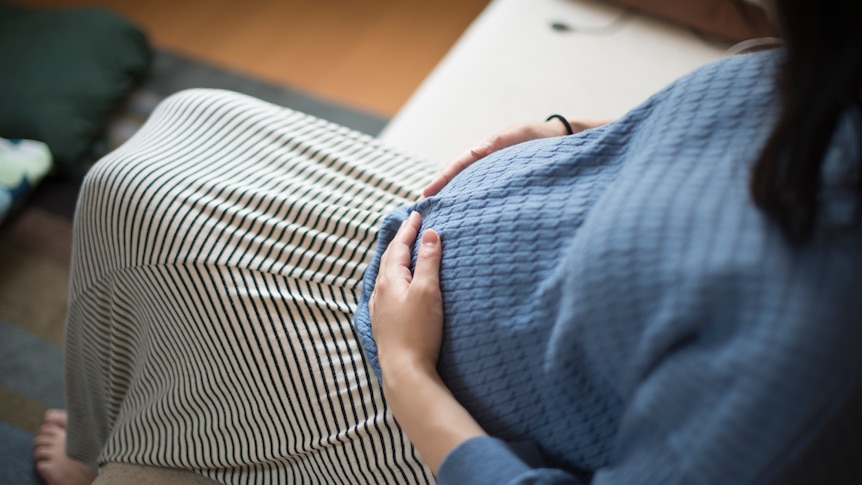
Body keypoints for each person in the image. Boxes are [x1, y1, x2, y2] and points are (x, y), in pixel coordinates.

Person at [34, 0, 861, 483]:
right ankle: (103, 429)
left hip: (428, 401)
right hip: (424, 242)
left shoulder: (811, 354)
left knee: (140, 444)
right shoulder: (833, 76)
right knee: (161, 152)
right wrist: (576, 133)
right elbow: (741, 112)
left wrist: (406, 369)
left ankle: (102, 451)